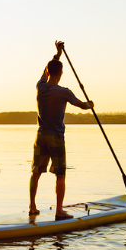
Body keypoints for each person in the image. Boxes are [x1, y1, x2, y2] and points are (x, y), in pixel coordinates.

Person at [30, 40, 94, 220]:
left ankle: (32, 207)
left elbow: (45, 72)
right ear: (62, 73)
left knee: (36, 171)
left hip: (40, 135)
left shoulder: (40, 87)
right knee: (60, 174)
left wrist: (57, 54)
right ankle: (59, 211)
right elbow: (81, 105)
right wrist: (90, 105)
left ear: (49, 72)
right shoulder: (64, 91)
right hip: (56, 137)